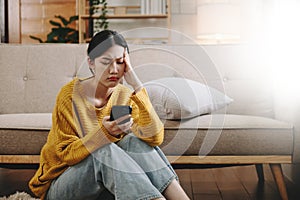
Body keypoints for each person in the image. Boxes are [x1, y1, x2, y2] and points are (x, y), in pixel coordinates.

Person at [29, 30, 190, 200]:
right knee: (103, 150)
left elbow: (155, 138)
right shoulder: (70, 95)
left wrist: (136, 83)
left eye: (120, 62)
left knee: (134, 142)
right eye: (106, 62)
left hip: (103, 185)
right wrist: (103, 134)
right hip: (60, 185)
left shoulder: (125, 95)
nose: (114, 70)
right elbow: (67, 155)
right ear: (91, 62)